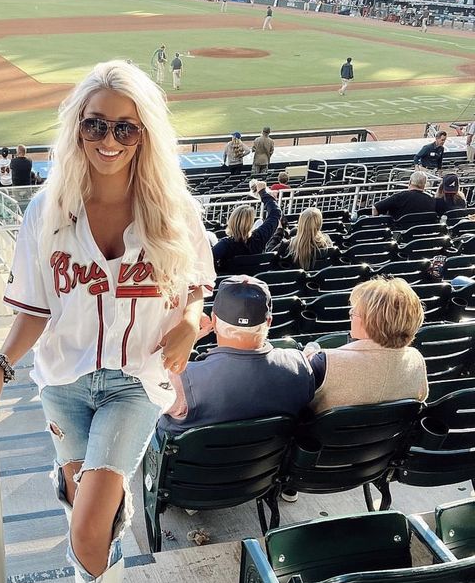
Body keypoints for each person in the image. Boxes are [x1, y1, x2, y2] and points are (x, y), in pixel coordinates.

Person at [0, 60, 214, 583]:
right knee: (93, 520)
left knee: (87, 527)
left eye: (125, 128)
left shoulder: (173, 210)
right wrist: (0, 365)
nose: (109, 140)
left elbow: (199, 282)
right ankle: (98, 568)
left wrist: (193, 322)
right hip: (63, 383)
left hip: (135, 383)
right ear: (77, 128)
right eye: (96, 125)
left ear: (144, 134)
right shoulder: (45, 211)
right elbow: (34, 308)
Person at [157, 276, 315, 437]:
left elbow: (142, 388)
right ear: (269, 321)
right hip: (271, 461)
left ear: (213, 320)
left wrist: (187, 338)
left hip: (195, 460)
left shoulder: (179, 380)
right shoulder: (300, 366)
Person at [306, 277, 428, 412]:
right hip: (391, 432)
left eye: (353, 313)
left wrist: (308, 355)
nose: (351, 317)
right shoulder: (417, 360)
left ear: (369, 322)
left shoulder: (325, 362)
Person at [212, 182, 281, 274]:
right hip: (255, 282)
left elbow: (207, 261)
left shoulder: (225, 244)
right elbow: (275, 213)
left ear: (231, 221)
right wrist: (262, 193)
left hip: (230, 285)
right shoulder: (260, 237)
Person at [271, 207, 335, 270]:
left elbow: (269, 254)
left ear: (300, 223)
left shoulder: (287, 245)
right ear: (319, 224)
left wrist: (279, 231)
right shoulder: (326, 243)